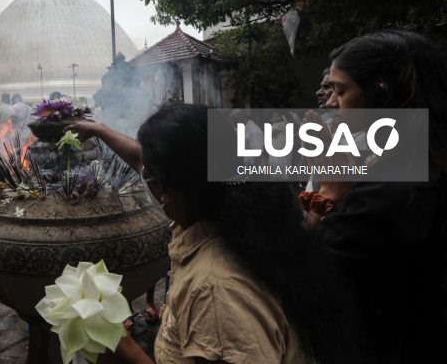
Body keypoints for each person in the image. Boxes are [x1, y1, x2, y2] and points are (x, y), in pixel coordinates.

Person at [68, 105, 364, 364]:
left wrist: (124, 350)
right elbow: (144, 160)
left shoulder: (215, 291)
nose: (142, 173)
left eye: (149, 175)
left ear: (164, 190)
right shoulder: (242, 218)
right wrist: (99, 129)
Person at [315, 30, 447, 363]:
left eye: (340, 91)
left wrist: (327, 195)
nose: (331, 104)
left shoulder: (388, 196)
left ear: (381, 91)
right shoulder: (424, 162)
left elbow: (309, 271)